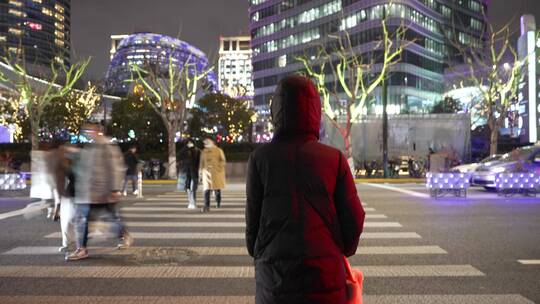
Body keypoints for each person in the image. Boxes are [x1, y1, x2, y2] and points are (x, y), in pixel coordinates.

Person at [245, 75, 366, 304]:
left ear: (276, 111)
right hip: (325, 278)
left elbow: (253, 221)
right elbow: (355, 217)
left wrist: (259, 250)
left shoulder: (260, 159)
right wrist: (341, 248)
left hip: (274, 280)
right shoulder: (334, 159)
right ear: (314, 112)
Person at [66, 123, 132, 261]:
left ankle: (83, 249)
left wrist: (114, 188)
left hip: (103, 191)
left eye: (91, 130)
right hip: (90, 192)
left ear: (98, 131)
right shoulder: (91, 147)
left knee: (98, 217)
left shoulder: (106, 146)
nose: (88, 132)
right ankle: (83, 247)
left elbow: (115, 168)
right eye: (87, 130)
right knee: (90, 218)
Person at [199, 138, 226, 212]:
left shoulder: (218, 150)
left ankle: (218, 202)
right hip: (206, 173)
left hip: (216, 173)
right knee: (206, 190)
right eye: (205, 143)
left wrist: (218, 167)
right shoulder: (204, 151)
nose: (206, 144)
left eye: (207, 142)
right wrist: (200, 172)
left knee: (217, 189)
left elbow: (223, 160)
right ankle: (206, 206)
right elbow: (201, 162)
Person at [178, 140, 201, 209]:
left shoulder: (197, 150)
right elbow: (179, 155)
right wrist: (186, 148)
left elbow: (199, 160)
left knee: (194, 187)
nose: (189, 144)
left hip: (194, 171)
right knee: (187, 187)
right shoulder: (185, 150)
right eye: (188, 143)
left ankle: (193, 202)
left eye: (191, 143)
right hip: (186, 170)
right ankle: (190, 202)